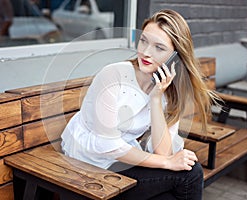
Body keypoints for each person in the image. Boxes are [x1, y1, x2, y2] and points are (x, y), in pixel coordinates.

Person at [61, 9, 217, 200]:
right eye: (143, 41)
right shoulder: (113, 76)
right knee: (191, 174)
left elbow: (162, 150)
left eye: (159, 48)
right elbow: (106, 145)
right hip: (89, 163)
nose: (146, 52)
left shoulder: (168, 89)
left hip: (122, 163)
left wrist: (156, 98)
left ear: (175, 57)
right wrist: (167, 163)